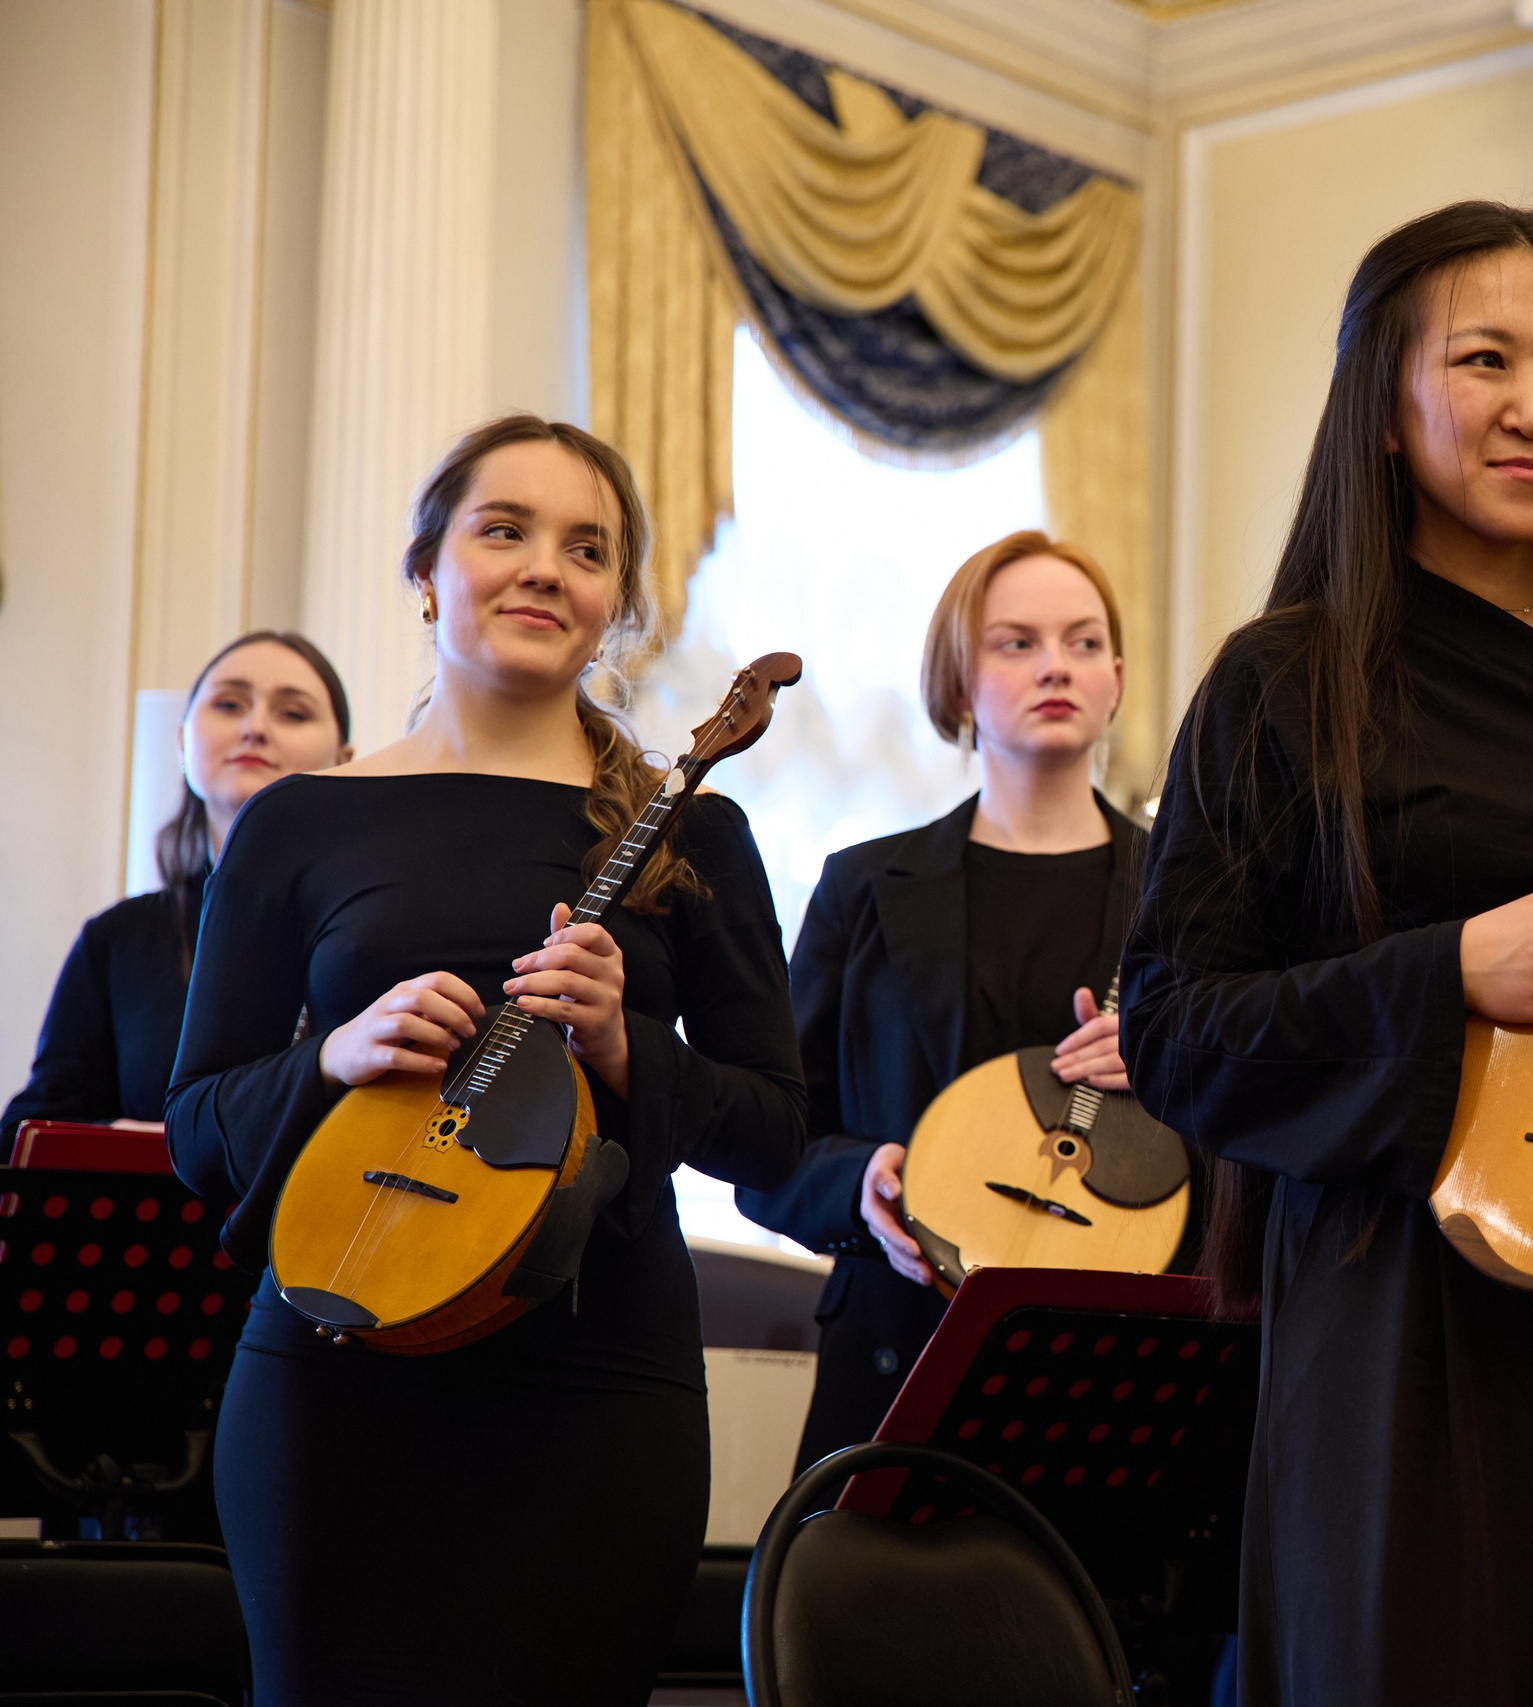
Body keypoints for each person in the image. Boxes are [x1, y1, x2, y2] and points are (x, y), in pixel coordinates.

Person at [1121, 201, 1533, 1707]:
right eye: (1484, 359)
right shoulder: (1283, 677)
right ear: (1383, 406)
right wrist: (1455, 974)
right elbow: (1170, 1030)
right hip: (1395, 1297)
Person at [165, 415, 805, 1704]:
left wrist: (628, 1049)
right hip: (330, 1377)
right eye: (501, 530)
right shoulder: (298, 823)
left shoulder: (700, 833)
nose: (541, 569)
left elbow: (776, 1137)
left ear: (615, 603)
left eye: (585, 548)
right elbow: (195, 1125)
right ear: (426, 571)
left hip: (596, 1389)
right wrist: (334, 1056)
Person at [737, 529, 1159, 1469]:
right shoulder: (863, 887)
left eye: (1084, 642)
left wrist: (1178, 1064)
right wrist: (859, 1180)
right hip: (899, 1348)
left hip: (1123, 1365)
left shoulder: (1192, 894)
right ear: (959, 682)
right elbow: (767, 1142)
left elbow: (1271, 1137)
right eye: (1018, 642)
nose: (1057, 664)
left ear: (1118, 678)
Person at [4, 632, 350, 1134]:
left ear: (344, 760)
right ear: (183, 741)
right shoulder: (118, 939)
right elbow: (25, 1131)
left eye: (293, 714)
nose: (254, 728)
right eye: (229, 705)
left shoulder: (373, 930)